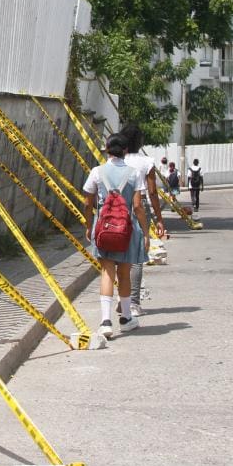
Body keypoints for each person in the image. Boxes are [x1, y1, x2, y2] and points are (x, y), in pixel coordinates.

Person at [83, 133, 152, 339]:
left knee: (106, 272)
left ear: (106, 149)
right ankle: (126, 318)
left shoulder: (97, 171)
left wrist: (89, 226)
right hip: (127, 230)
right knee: (124, 272)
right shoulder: (134, 174)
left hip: (103, 228)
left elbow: (87, 202)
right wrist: (146, 232)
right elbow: (138, 206)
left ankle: (105, 322)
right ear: (125, 151)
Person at [122, 124, 165, 317]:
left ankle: (121, 299)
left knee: (118, 257)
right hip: (137, 209)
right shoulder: (147, 162)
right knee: (137, 257)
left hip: (115, 210)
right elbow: (153, 192)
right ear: (140, 142)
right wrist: (159, 218)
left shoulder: (116, 159)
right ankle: (132, 302)